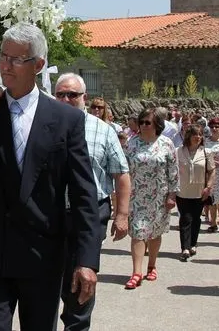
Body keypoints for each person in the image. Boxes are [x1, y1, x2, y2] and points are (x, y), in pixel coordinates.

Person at [0, 24, 100, 330]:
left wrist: (86, 260)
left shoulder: (66, 119)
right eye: (2, 57)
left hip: (42, 258)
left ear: (38, 64)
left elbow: (84, 194)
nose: (5, 66)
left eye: (16, 59)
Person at [53, 73, 131, 330]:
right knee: (48, 283)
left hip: (89, 215)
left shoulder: (103, 130)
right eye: (60, 94)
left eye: (72, 95)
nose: (66, 99)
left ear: (84, 98)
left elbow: (121, 174)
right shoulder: (44, 126)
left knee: (81, 279)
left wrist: (122, 215)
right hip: (51, 214)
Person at [123, 107, 179, 289]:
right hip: (136, 196)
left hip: (159, 197)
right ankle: (136, 272)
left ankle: (152, 265)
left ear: (157, 125)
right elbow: (124, 170)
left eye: (147, 122)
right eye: (141, 122)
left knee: (155, 233)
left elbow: (173, 171)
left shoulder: (166, 144)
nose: (143, 125)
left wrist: (172, 195)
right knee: (138, 232)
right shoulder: (131, 143)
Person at [175, 123, 214, 262]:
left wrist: (208, 187)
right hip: (182, 191)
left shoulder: (206, 152)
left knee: (196, 218)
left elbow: (211, 171)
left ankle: (193, 244)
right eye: (195, 134)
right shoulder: (178, 151)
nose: (198, 137)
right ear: (189, 136)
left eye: (200, 134)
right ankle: (185, 248)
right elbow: (173, 170)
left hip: (199, 191)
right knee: (185, 218)